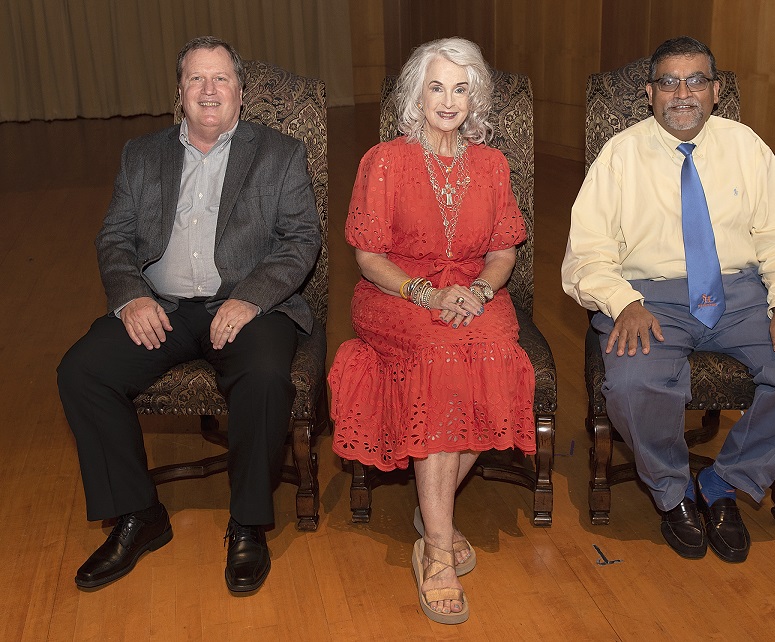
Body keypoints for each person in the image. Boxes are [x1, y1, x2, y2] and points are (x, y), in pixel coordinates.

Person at [562, 36, 775, 563]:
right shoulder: (620, 156)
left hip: (741, 297)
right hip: (651, 298)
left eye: (696, 81)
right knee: (631, 378)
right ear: (650, 93)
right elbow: (588, 252)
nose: (682, 93)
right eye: (669, 81)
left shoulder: (747, 147)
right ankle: (671, 493)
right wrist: (622, 302)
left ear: (715, 92)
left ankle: (724, 481)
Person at [57, 36, 320, 592]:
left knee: (266, 375)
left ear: (239, 94)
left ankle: (249, 524)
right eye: (196, 79)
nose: (208, 90)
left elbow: (300, 239)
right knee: (82, 371)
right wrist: (132, 295)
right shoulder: (142, 154)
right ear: (178, 92)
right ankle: (138, 515)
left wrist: (251, 298)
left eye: (220, 78)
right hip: (165, 305)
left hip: (248, 305)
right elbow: (116, 238)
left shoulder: (279, 154)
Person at [328, 37, 535, 624]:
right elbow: (369, 257)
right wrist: (425, 293)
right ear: (415, 94)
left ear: (476, 97)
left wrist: (479, 292)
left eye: (461, 88)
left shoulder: (492, 165)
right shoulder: (385, 160)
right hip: (398, 294)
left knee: (496, 353)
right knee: (443, 362)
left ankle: (431, 509)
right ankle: (438, 548)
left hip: (472, 295)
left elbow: (503, 251)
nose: (448, 100)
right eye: (436, 86)